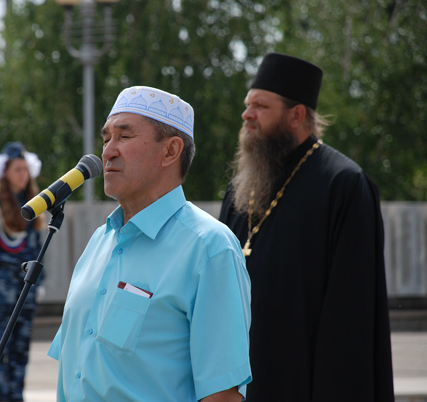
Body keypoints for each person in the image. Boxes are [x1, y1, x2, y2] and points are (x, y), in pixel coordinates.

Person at [47, 86, 252, 402]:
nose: (108, 152)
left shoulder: (209, 249)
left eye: (124, 137)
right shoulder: (99, 242)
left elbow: (222, 394)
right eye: (106, 139)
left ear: (170, 151)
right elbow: (75, 371)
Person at [218, 52, 394, 401]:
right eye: (247, 105)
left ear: (296, 115)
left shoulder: (343, 186)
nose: (246, 115)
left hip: (305, 383)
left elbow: (350, 318)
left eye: (260, 106)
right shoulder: (241, 189)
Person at [0, 141, 47, 402]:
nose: (22, 175)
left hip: (25, 288)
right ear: (5, 172)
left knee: (21, 349)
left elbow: (38, 249)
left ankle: (16, 397)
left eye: (25, 169)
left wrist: (39, 283)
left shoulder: (33, 203)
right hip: (1, 287)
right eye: (17, 169)